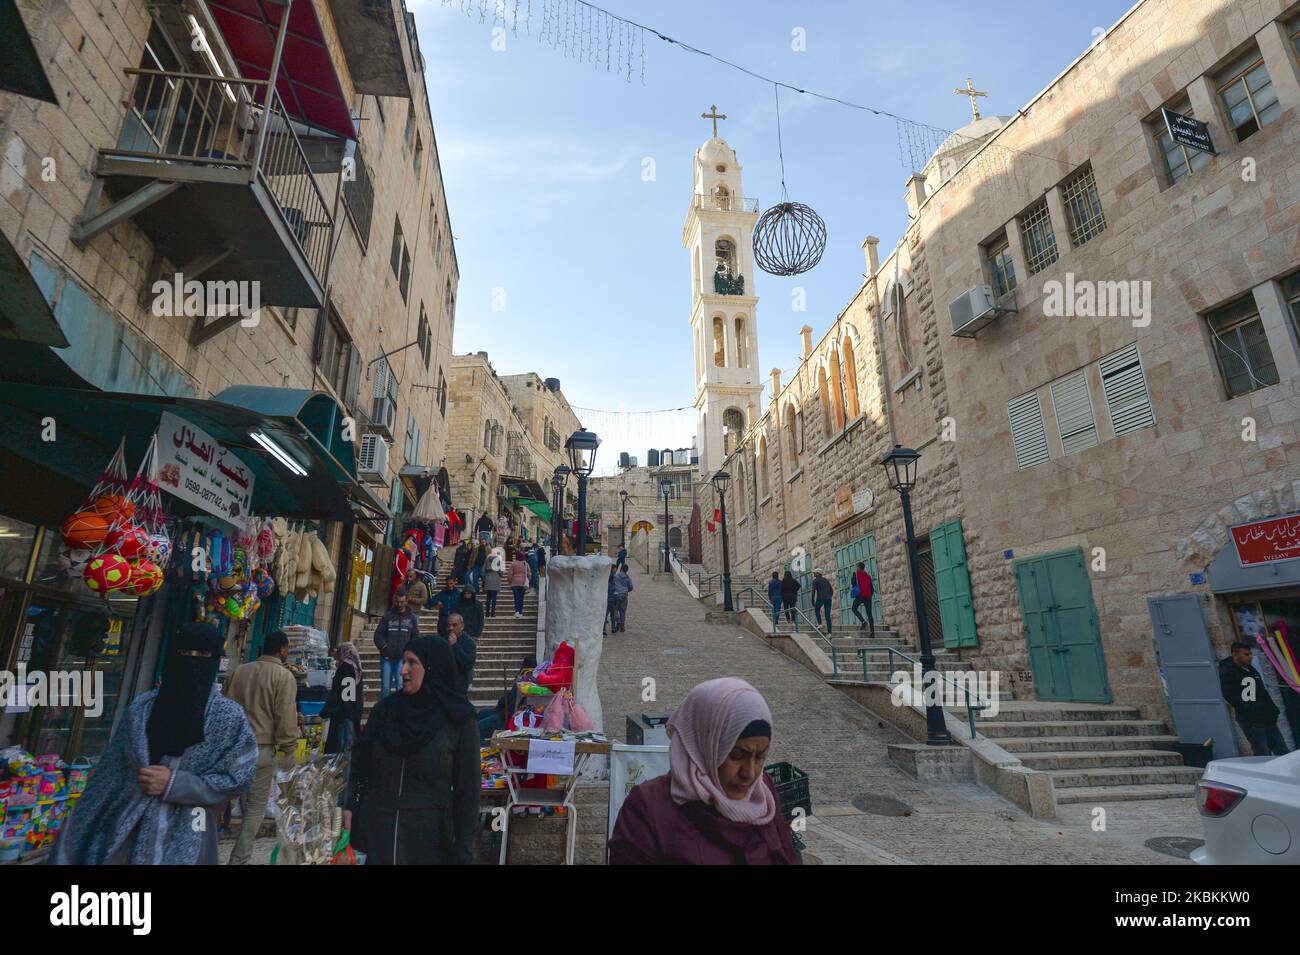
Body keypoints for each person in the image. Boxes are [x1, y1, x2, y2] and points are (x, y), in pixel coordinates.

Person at [51, 622, 258, 865]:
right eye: (185, 653)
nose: (193, 662)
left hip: (189, 831)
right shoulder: (141, 709)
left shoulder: (228, 717)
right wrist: (77, 829)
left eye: (203, 655)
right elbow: (108, 776)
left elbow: (238, 777)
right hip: (121, 829)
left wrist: (175, 784)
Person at [608, 677, 799, 865]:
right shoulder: (647, 810)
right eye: (737, 755)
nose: (749, 773)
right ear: (703, 746)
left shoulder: (763, 794)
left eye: (759, 757)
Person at [342, 636, 480, 864]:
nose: (402, 670)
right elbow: (358, 762)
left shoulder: (459, 721)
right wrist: (347, 803)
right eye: (403, 662)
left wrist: (464, 850)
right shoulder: (384, 711)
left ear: (432, 667)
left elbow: (468, 793)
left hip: (429, 841)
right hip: (376, 835)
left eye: (412, 662)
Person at [223, 629, 300, 865]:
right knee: (255, 808)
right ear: (283, 649)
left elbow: (224, 706)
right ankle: (239, 858)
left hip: (232, 747)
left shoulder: (238, 672)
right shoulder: (283, 677)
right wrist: (290, 748)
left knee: (222, 799)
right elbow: (284, 717)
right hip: (261, 750)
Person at [1219, 641, 1290, 756]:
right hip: (1252, 720)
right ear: (1235, 655)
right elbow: (1231, 695)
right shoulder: (1230, 672)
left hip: (1266, 717)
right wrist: (1250, 711)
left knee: (1282, 751)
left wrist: (1272, 711)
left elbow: (1262, 692)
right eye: (1246, 654)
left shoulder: (1251, 670)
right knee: (1263, 753)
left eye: (1250, 654)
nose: (1250, 657)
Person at [478, 655, 538, 741]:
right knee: (482, 713)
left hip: (508, 717)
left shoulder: (526, 683)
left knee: (480, 726)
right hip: (502, 711)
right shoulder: (521, 680)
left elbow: (512, 707)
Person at [374, 590, 420, 697]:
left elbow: (415, 637)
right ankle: (385, 713)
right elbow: (378, 635)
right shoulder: (387, 617)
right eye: (397, 602)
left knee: (401, 686)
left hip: (403, 660)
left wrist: (409, 652)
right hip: (387, 658)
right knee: (385, 688)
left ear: (406, 601)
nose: (399, 604)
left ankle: (400, 712)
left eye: (402, 602)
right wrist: (384, 647)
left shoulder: (412, 618)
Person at [323, 642, 364, 754]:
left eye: (339, 651)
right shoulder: (356, 667)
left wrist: (345, 716)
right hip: (351, 713)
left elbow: (348, 695)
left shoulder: (347, 669)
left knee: (340, 748)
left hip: (343, 716)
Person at [445, 612, 478, 695]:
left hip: (461, 685)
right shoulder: (443, 640)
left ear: (462, 626)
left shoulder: (469, 642)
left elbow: (468, 663)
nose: (451, 628)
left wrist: (455, 645)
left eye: (454, 625)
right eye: (449, 625)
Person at [852, 562, 875, 636]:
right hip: (868, 596)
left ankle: (863, 621)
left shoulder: (855, 574)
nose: (856, 568)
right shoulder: (868, 575)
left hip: (860, 595)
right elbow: (872, 588)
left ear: (858, 567)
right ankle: (872, 632)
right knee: (869, 613)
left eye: (856, 566)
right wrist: (870, 595)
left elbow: (853, 584)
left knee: (854, 608)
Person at [611, 563, 634, 633]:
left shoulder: (616, 576)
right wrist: (626, 591)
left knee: (615, 609)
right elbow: (631, 587)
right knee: (623, 611)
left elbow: (612, 584)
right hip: (624, 595)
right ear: (626, 570)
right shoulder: (627, 577)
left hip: (616, 595)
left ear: (621, 569)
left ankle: (617, 620)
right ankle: (622, 626)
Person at [507, 550, 530, 618]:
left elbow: (509, 575)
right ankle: (520, 612)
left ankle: (517, 611)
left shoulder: (513, 563)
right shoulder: (525, 563)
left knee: (516, 598)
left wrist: (510, 581)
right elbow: (529, 573)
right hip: (523, 583)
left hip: (515, 583)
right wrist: (528, 580)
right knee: (521, 598)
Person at [811, 570, 834, 635]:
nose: (813, 574)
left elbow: (813, 591)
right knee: (827, 616)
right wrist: (829, 596)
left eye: (814, 573)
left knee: (817, 609)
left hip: (820, 597)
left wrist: (812, 600)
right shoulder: (826, 580)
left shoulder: (815, 581)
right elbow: (831, 590)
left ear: (818, 573)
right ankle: (829, 633)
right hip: (828, 599)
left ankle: (820, 623)